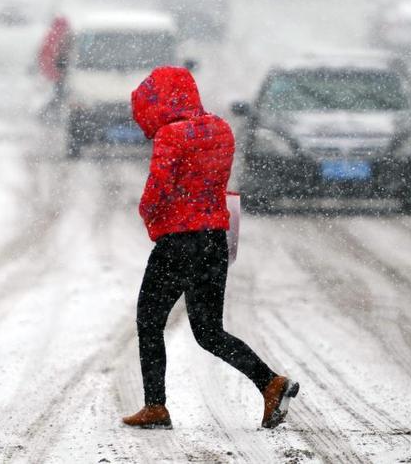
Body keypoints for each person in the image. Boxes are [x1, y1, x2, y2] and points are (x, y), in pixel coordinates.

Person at [122, 66, 299, 430]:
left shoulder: (171, 136)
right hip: (213, 240)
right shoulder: (221, 128)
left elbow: (156, 193)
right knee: (209, 331)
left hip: (178, 242)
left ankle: (156, 406)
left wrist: (148, 215)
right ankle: (269, 382)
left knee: (149, 320)